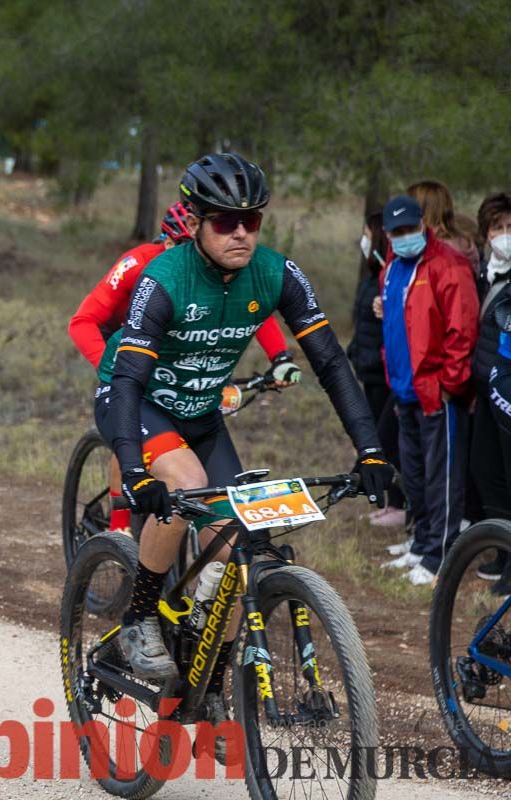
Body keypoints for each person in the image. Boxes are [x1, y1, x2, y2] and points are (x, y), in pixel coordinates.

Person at [106, 154, 393, 692]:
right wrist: (132, 469)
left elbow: (331, 363)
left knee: (241, 542)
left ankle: (209, 686)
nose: (240, 233)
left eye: (252, 220)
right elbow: (126, 383)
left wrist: (371, 449)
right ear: (194, 221)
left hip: (201, 410)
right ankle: (138, 619)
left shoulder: (276, 272)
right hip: (139, 399)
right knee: (185, 484)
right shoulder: (163, 278)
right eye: (224, 221)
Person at [70, 200, 297, 532]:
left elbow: (250, 310)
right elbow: (82, 321)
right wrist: (120, 370)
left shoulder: (217, 272)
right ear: (169, 240)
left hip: (179, 349)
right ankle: (118, 529)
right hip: (124, 344)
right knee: (129, 422)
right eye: (182, 246)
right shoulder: (138, 263)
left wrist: (281, 357)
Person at [376, 195, 478, 585]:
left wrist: (450, 384)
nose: (404, 237)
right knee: (415, 476)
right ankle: (422, 542)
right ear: (388, 234)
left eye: (410, 229)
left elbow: (462, 330)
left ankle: (441, 554)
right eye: (396, 232)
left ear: (423, 225)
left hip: (439, 391)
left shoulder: (447, 266)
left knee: (442, 477)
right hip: (405, 390)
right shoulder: (392, 268)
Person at [347, 211, 408, 527]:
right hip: (368, 369)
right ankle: (390, 503)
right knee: (379, 437)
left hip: (384, 372)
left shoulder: (390, 275)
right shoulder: (373, 275)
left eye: (368, 234)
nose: (364, 240)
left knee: (389, 440)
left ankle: (401, 503)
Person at [469, 192, 511, 588]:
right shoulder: (487, 272)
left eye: (510, 228)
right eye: (497, 228)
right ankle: (502, 549)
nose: (504, 236)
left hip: (508, 392)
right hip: (484, 388)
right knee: (486, 469)